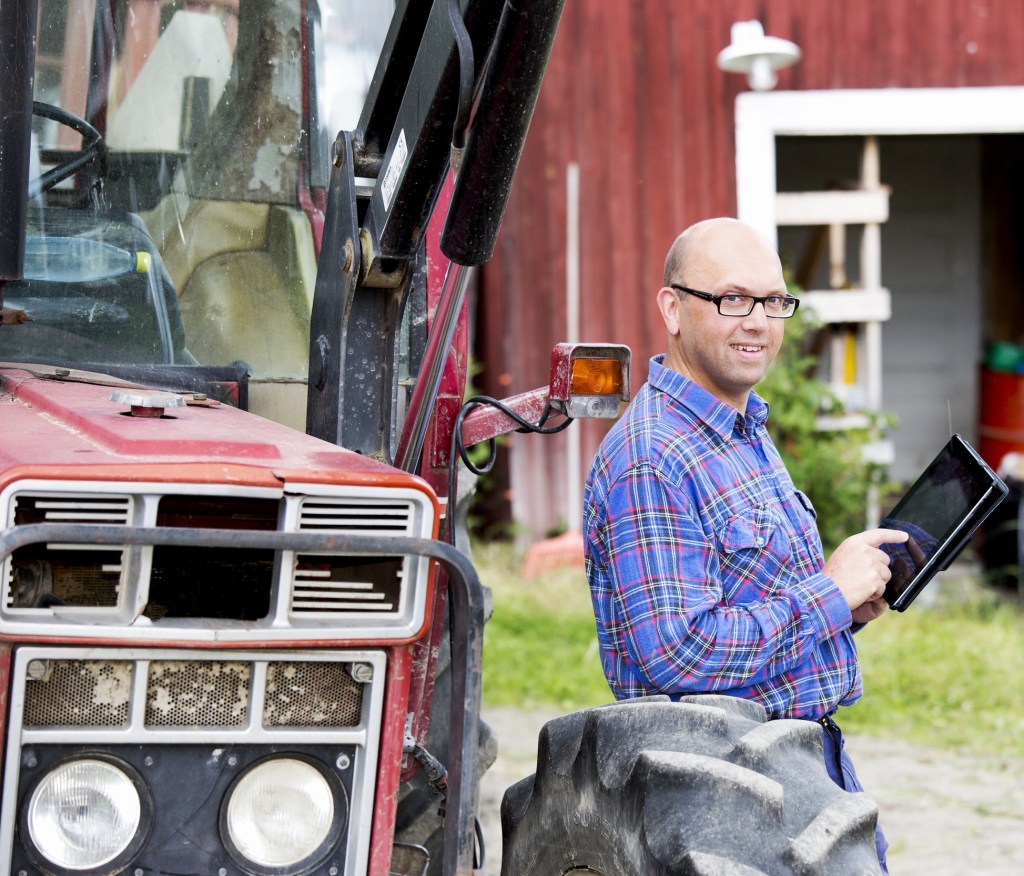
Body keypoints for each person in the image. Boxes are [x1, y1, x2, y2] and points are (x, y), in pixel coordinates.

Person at [582, 217, 906, 873]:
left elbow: (756, 602)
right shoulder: (655, 457)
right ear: (673, 309)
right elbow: (678, 652)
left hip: (797, 763)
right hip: (726, 798)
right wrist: (827, 595)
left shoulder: (741, 428)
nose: (758, 322)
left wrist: (845, 606)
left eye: (773, 301)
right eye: (733, 299)